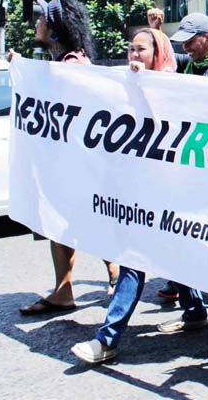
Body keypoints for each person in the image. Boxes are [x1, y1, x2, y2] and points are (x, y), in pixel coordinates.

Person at [70, 29, 178, 364]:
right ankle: (195, 309)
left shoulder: (178, 89)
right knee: (139, 256)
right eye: (130, 48)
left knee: (156, 256)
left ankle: (107, 340)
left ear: (158, 53)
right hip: (135, 190)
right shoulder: (121, 85)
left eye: (142, 49)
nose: (134, 54)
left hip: (171, 192)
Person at [13, 0, 120, 315]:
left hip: (77, 165)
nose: (37, 26)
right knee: (67, 222)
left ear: (55, 30)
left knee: (77, 220)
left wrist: (24, 74)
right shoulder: (66, 63)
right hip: (71, 164)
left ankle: (102, 281)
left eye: (41, 21)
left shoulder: (72, 68)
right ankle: (77, 286)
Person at [153, 13, 208, 332]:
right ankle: (190, 294)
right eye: (183, 41)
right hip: (190, 165)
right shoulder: (187, 65)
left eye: (191, 40)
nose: (186, 46)